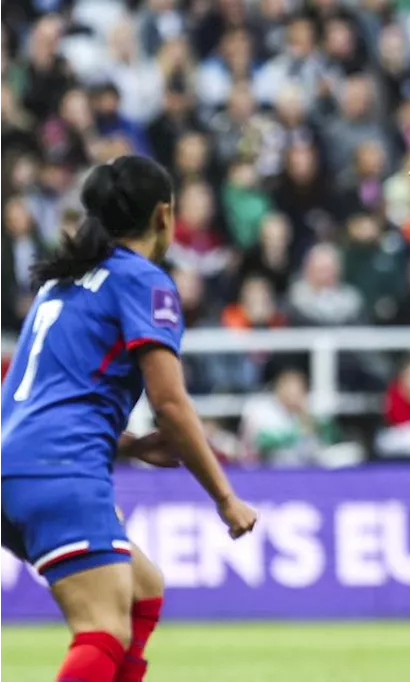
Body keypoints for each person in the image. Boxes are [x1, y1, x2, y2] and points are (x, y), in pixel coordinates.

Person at [0, 155, 258, 682]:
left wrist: (132, 446)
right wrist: (225, 498)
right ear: (164, 215)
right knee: (102, 630)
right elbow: (171, 402)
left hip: (17, 465)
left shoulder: (61, 282)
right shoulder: (143, 280)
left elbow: (48, 398)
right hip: (59, 471)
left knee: (144, 589)